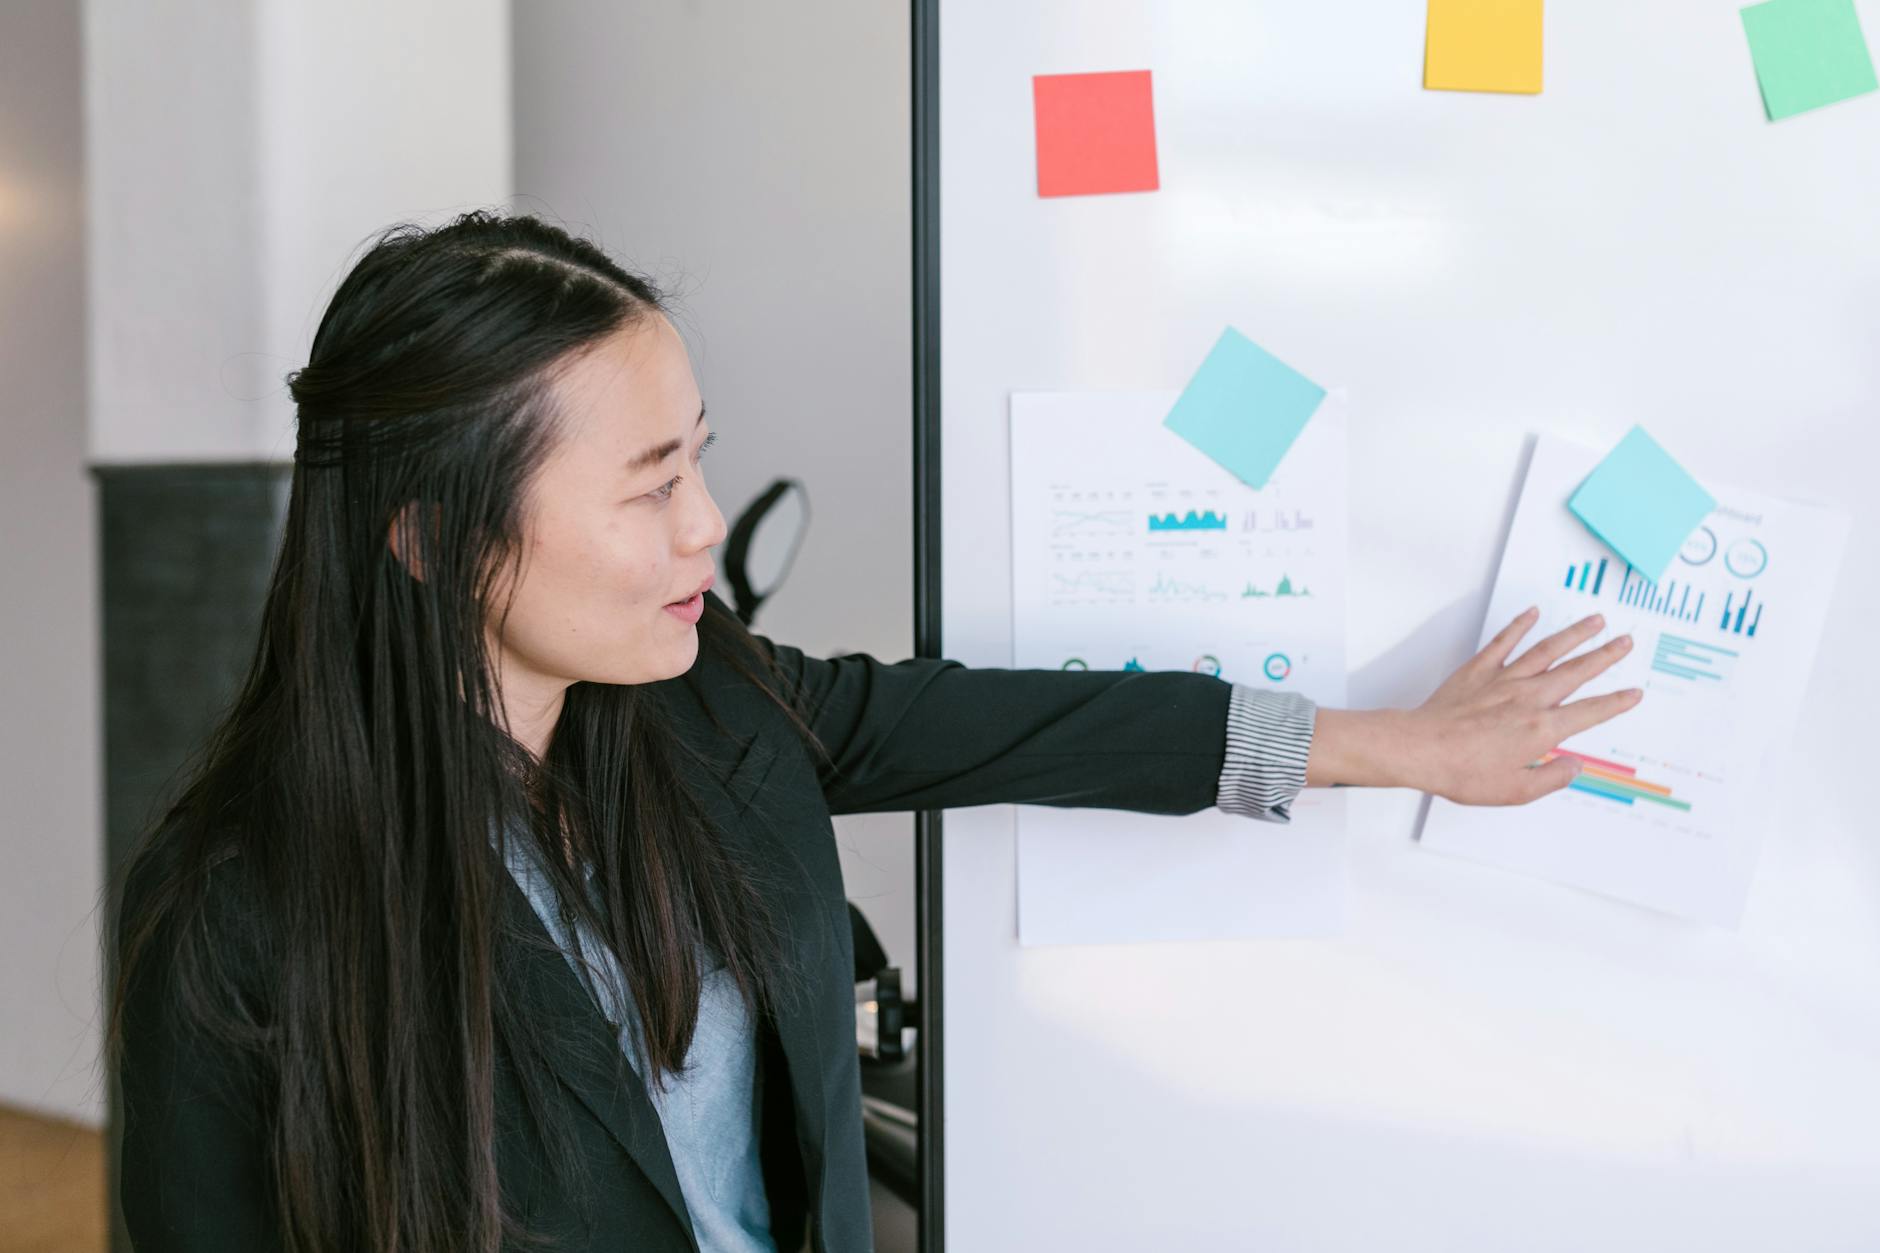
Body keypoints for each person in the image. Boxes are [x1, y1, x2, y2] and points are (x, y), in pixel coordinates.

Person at [106, 209, 1642, 1253]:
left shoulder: (710, 710)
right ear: (432, 538)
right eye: (649, 485)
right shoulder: (238, 910)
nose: (707, 524)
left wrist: (1404, 744)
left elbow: (1031, 724)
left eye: (700, 461)